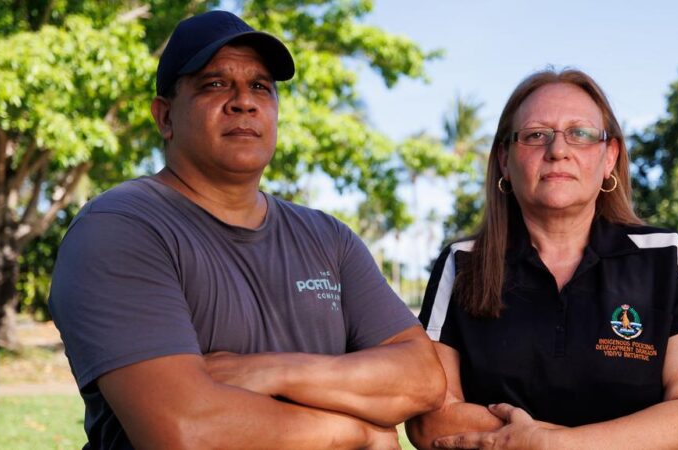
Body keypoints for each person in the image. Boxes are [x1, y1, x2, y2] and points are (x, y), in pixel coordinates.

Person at [48, 10, 445, 449]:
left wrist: (270, 371)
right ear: (165, 118)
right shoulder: (120, 230)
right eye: (214, 84)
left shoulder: (328, 237)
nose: (244, 101)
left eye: (260, 86)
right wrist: (357, 434)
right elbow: (186, 432)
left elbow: (421, 378)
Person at [406, 69, 678, 449]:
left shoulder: (667, 259)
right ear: (504, 159)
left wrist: (553, 445)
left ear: (609, 158)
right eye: (536, 135)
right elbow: (430, 418)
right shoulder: (461, 264)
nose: (558, 150)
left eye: (581, 134)